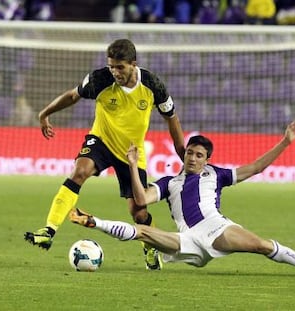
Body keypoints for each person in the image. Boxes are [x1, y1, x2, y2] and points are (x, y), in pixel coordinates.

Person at [69, 119, 295, 278]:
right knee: (143, 231)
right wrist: (131, 164)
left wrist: (286, 141)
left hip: (216, 228)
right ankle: (93, 221)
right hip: (186, 240)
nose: (193, 158)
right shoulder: (169, 183)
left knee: (260, 245)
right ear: (184, 154)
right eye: (189, 153)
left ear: (207, 159)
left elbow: (255, 167)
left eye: (199, 155)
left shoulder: (217, 175)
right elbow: (140, 198)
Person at [24, 38, 185, 271]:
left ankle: (149, 246)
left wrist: (182, 156)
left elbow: (172, 119)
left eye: (120, 67)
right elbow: (72, 96)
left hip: (131, 153)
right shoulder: (99, 79)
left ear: (133, 64)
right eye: (111, 66)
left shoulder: (152, 85)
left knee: (138, 212)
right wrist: (45, 113)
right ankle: (48, 230)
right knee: (80, 171)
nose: (115, 72)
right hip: (101, 140)